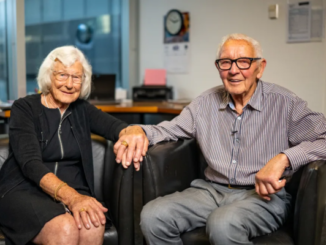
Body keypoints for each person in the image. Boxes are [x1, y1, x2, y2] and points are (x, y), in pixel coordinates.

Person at [117, 33, 326, 244]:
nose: (233, 70)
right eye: (226, 63)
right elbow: (170, 130)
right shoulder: (204, 103)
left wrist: (283, 158)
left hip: (262, 197)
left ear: (260, 68)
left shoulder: (285, 103)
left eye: (243, 62)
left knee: (223, 222)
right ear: (219, 68)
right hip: (209, 191)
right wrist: (138, 130)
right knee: (153, 216)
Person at [0, 46, 148, 245]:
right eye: (62, 75)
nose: (69, 84)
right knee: (65, 228)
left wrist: (135, 131)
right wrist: (73, 198)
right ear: (48, 76)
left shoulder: (82, 110)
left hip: (75, 189)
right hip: (25, 190)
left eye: (76, 77)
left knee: (92, 225)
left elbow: (116, 127)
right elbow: (30, 164)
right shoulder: (25, 108)